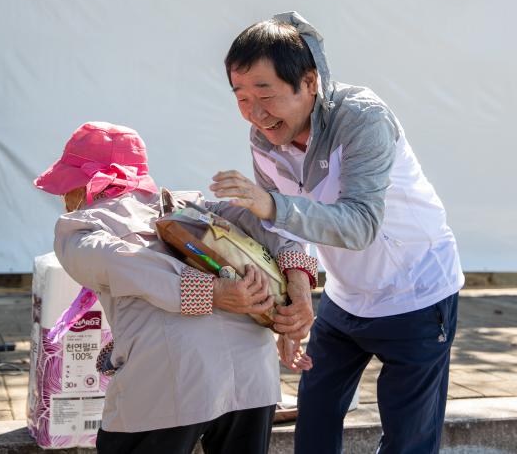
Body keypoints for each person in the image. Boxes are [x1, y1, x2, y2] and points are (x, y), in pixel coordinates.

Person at [210, 12, 465, 454]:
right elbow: (283, 231)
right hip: (346, 296)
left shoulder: (362, 119)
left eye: (265, 92)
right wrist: (298, 294)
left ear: (309, 82)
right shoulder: (263, 137)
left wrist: (269, 204)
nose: (255, 112)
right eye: (241, 96)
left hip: (416, 293)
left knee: (408, 438)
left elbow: (360, 223)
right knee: (316, 413)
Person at [35, 121, 317, 454]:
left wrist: (209, 292)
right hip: (253, 374)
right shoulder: (191, 205)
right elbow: (273, 222)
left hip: (168, 381)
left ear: (77, 187)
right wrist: (299, 289)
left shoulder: (81, 226)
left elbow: (120, 260)